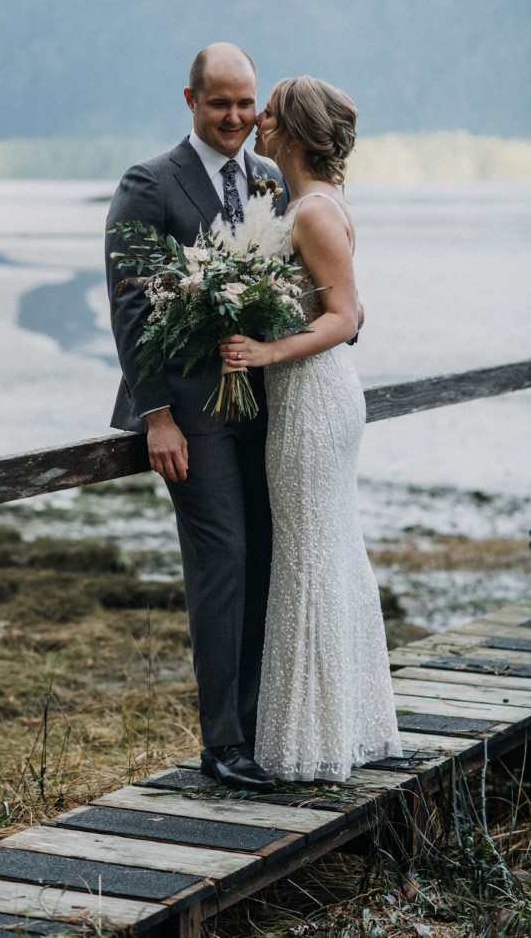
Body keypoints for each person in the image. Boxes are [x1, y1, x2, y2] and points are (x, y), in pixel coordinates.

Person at [105, 43, 286, 791]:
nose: (236, 118)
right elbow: (130, 307)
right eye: (221, 104)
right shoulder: (149, 183)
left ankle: (256, 726)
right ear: (189, 99)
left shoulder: (270, 179)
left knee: (266, 559)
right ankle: (221, 746)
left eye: (246, 104)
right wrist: (155, 415)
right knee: (222, 563)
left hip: (266, 408)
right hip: (189, 416)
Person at [219, 76, 402, 781]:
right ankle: (339, 725)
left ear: (292, 131)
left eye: (267, 113)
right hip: (307, 400)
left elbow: (344, 317)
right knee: (322, 551)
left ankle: (310, 742)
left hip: (312, 399)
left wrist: (265, 351)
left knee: (306, 558)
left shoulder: (312, 214)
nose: (256, 121)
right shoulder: (301, 204)